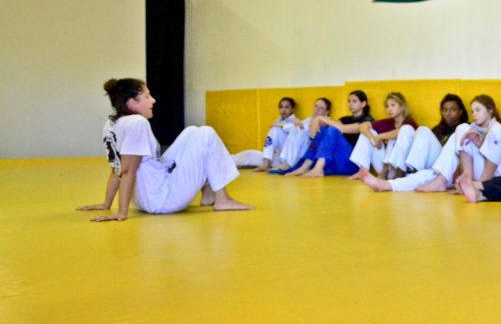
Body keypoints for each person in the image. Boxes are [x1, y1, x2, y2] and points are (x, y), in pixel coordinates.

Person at [77, 78, 251, 221]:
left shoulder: (111, 124)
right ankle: (222, 199)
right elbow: (128, 170)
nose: (153, 100)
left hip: (144, 199)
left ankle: (208, 192)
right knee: (207, 134)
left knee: (192, 132)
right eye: (147, 96)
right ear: (132, 102)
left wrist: (106, 204)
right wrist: (122, 213)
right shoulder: (138, 123)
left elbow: (116, 168)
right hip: (161, 199)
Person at [364, 95, 501, 193]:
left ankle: (447, 179)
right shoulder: (476, 130)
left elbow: (492, 166)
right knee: (430, 174)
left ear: (490, 110)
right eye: (472, 111)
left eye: (478, 110)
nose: (474, 114)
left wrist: (477, 185)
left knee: (462, 128)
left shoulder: (498, 131)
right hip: (478, 174)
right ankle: (387, 185)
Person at [283, 92, 373, 178]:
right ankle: (304, 167)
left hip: (354, 165)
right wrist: (314, 121)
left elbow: (341, 128)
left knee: (332, 130)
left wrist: (319, 118)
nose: (350, 104)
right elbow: (323, 125)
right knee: (323, 131)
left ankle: (318, 168)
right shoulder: (344, 119)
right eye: (349, 101)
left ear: (363, 104)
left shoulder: (367, 120)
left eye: (354, 101)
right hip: (337, 162)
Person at [349, 92, 418, 179]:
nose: (389, 109)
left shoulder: (410, 123)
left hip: (402, 168)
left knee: (394, 136)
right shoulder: (388, 122)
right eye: (387, 106)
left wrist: (380, 136)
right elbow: (362, 126)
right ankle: (362, 171)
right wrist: (373, 138)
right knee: (367, 133)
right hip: (387, 170)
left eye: (393, 105)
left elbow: (399, 132)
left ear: (402, 107)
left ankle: (394, 174)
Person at [400, 94, 468, 175]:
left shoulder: (465, 128)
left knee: (423, 130)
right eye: (445, 110)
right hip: (434, 165)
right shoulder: (437, 129)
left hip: (451, 166)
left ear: (460, 112)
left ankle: (411, 172)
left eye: (452, 110)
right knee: (422, 130)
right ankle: (412, 171)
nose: (448, 113)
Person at [231, 97, 300, 170]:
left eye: (287, 107)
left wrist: (281, 125)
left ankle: (266, 163)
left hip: (288, 159)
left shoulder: (296, 121)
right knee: (249, 155)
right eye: (281, 107)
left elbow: (299, 131)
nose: (283, 110)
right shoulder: (278, 121)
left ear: (292, 109)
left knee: (275, 128)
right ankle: (225, 160)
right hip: (276, 158)